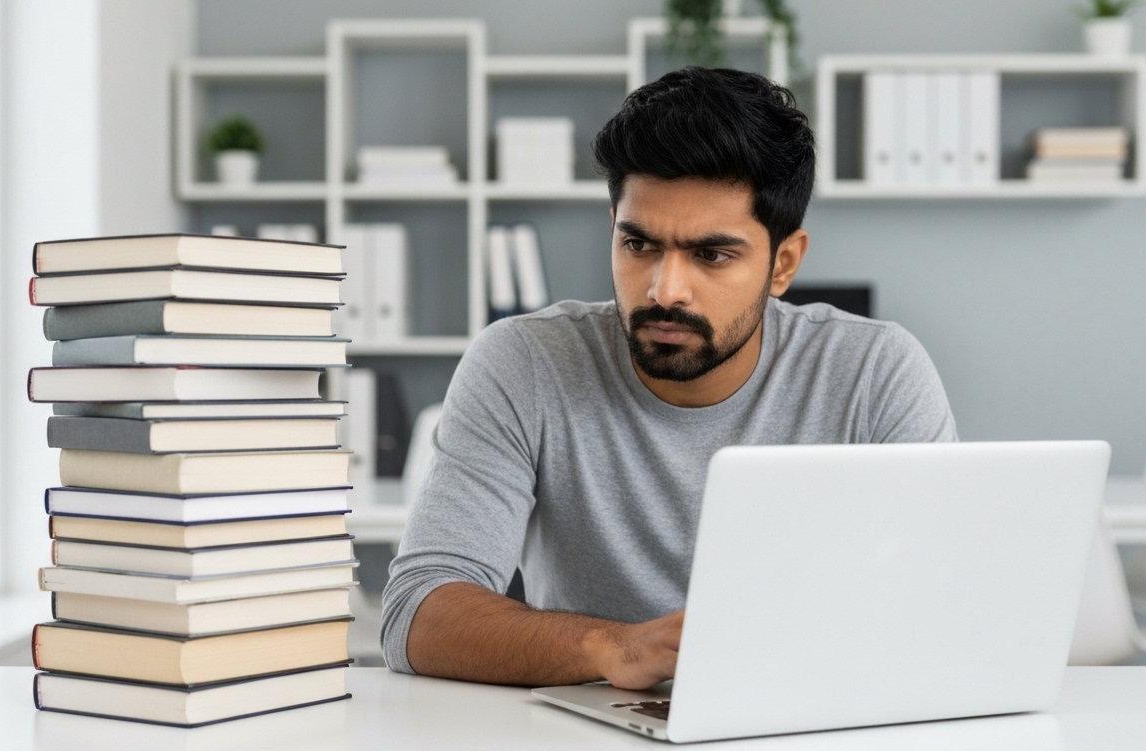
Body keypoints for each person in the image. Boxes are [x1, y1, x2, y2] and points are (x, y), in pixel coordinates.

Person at [380, 67, 957, 689]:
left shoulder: (875, 371)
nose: (664, 289)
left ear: (783, 262)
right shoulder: (523, 363)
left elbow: (946, 604)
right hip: (586, 733)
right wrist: (612, 648)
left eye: (711, 255)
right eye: (639, 245)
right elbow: (417, 612)